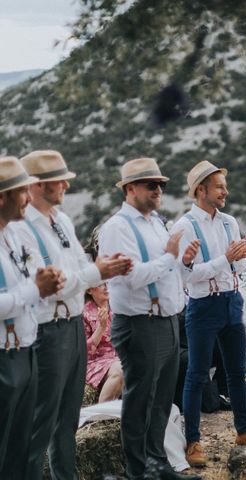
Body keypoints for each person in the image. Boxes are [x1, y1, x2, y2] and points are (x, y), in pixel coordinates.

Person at [14, 150, 132, 480]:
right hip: (47, 330)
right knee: (42, 422)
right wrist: (97, 271)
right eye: (58, 179)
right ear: (37, 186)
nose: (66, 184)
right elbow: (54, 283)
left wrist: (92, 271)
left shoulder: (62, 221)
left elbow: (79, 268)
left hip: (73, 326)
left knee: (67, 419)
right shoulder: (22, 229)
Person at [99, 157, 201, 480]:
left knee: (161, 399)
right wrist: (170, 255)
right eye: (151, 185)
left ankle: (158, 463)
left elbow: (171, 275)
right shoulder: (117, 228)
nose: (159, 190)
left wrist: (183, 263)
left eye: (161, 185)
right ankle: (137, 470)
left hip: (168, 320)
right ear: (130, 189)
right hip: (139, 323)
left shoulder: (158, 223)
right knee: (140, 397)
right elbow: (132, 276)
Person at [170, 161, 246, 468]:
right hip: (203, 306)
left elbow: (239, 267)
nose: (226, 192)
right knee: (195, 373)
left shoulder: (229, 222)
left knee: (237, 371)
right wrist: (226, 259)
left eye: (224, 186)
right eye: (220, 186)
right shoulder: (183, 227)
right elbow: (187, 276)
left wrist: (238, 259)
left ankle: (244, 431)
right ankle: (193, 441)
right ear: (201, 190)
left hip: (232, 301)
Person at [0, 157, 65, 480]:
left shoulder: (14, 235)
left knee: (22, 446)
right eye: (21, 191)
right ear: (2, 197)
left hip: (27, 349)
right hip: (2, 356)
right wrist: (35, 290)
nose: (27, 198)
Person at [83, 283, 124, 402]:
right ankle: (101, 416)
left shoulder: (118, 306)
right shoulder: (84, 313)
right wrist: (101, 327)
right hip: (96, 362)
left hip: (121, 356)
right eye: (101, 284)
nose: (106, 287)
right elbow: (85, 350)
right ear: (90, 290)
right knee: (120, 370)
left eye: (108, 282)